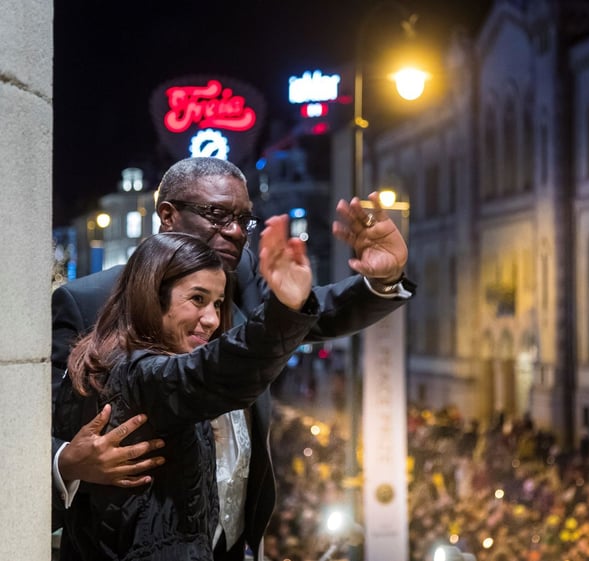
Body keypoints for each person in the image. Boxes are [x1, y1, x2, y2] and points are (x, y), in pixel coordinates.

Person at [51, 156, 414, 559]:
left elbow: (310, 314)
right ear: (167, 215)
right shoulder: (87, 303)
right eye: (218, 215)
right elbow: (36, 426)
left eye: (244, 219)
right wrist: (65, 462)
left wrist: (381, 280)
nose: (236, 232)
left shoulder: (240, 281)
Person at [54, 218, 315, 559]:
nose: (211, 319)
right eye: (197, 299)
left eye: (218, 303)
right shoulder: (137, 373)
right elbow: (216, 371)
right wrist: (284, 312)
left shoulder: (109, 357)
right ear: (152, 296)